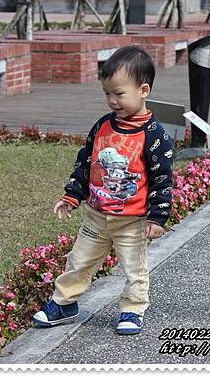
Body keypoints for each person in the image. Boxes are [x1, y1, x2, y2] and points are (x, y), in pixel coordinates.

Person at [32, 46, 174, 335]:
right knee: (79, 261)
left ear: (143, 90)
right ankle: (64, 303)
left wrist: (158, 218)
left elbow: (162, 178)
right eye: (107, 94)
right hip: (96, 216)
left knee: (135, 268)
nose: (112, 101)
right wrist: (72, 194)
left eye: (119, 94)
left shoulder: (154, 135)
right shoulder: (102, 126)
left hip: (131, 221)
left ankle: (132, 310)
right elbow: (86, 162)